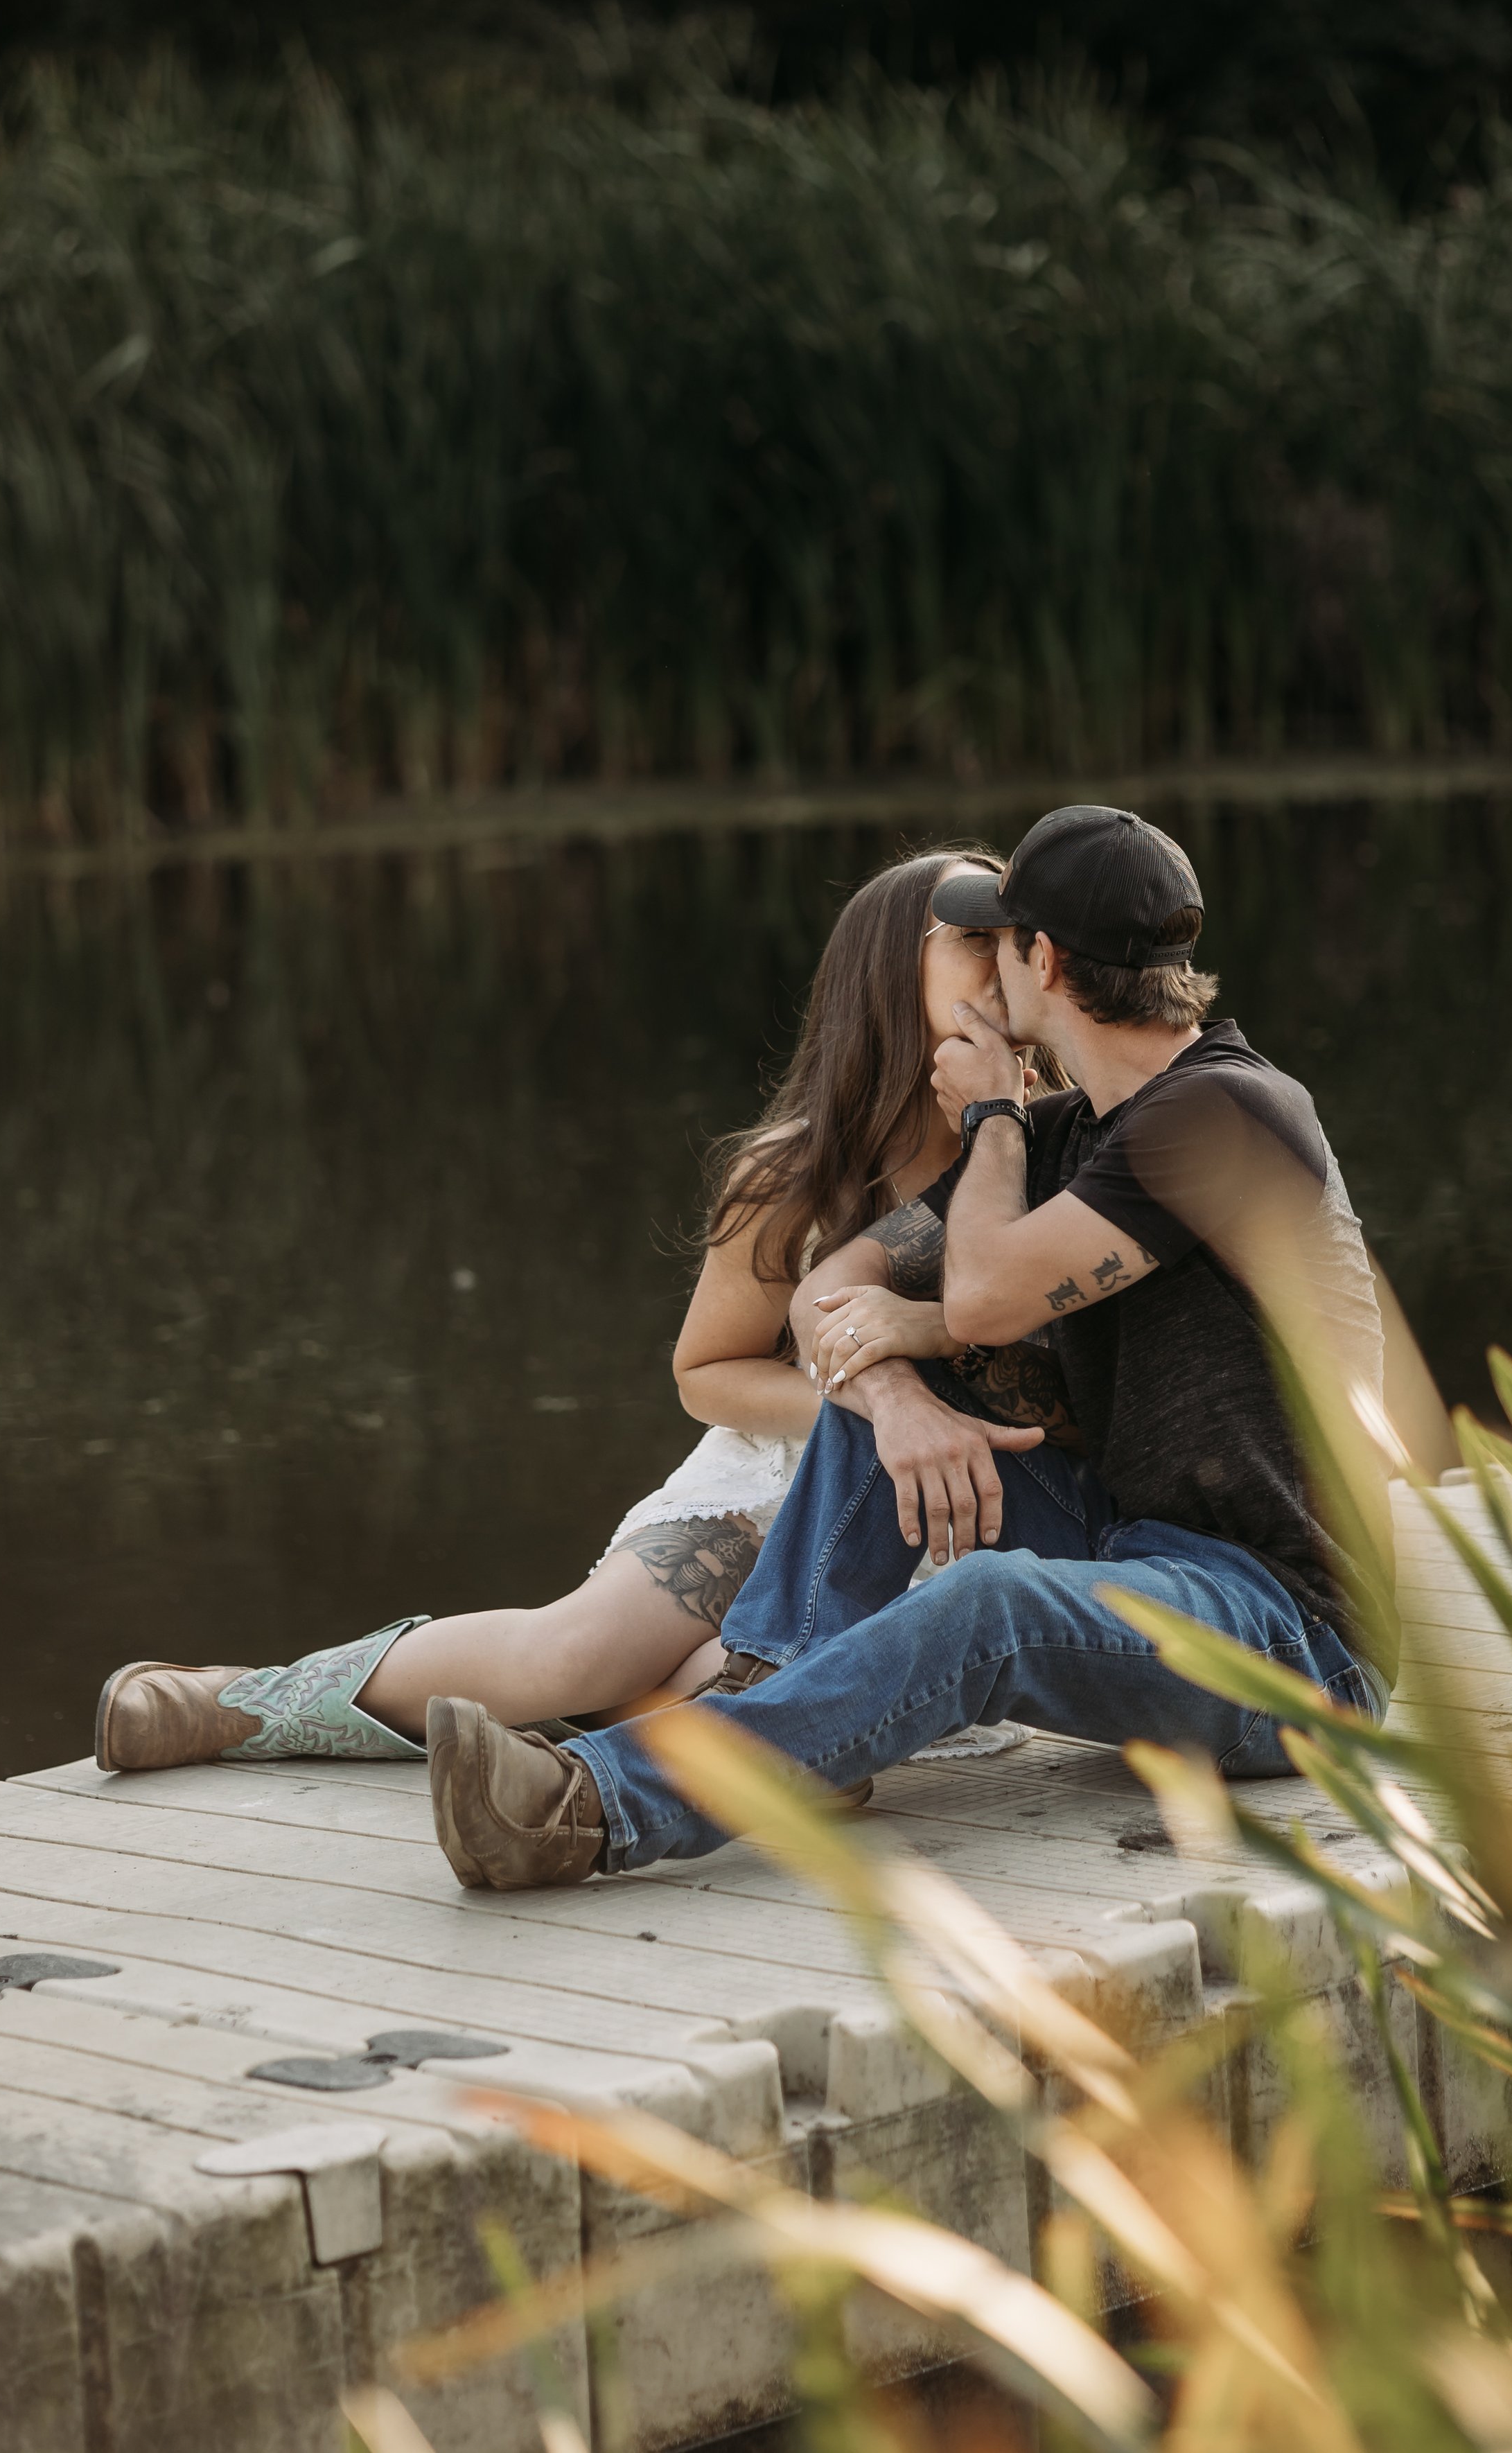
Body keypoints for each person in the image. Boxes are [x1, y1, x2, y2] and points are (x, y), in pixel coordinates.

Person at [421, 804, 1400, 1891]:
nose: (988, 967)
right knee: (898, 1386)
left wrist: (989, 1122)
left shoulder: (1229, 1112)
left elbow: (980, 1295)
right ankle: (775, 1690)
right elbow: (832, 1294)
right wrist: (897, 1395)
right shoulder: (1075, 1134)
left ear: (1048, 959)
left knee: (989, 1602)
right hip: (1133, 1544)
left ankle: (589, 1807)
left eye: (1000, 938)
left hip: (1292, 1638)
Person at [94, 845, 1074, 1776]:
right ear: (883, 973)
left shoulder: (1059, 1153)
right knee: (573, 1652)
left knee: (850, 1709)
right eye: (972, 940)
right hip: (770, 1476)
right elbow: (707, 1373)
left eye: (1018, 941)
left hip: (958, 1512)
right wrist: (864, 1412)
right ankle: (238, 1701)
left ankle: (654, 1705)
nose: (1006, 964)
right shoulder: (791, 1175)